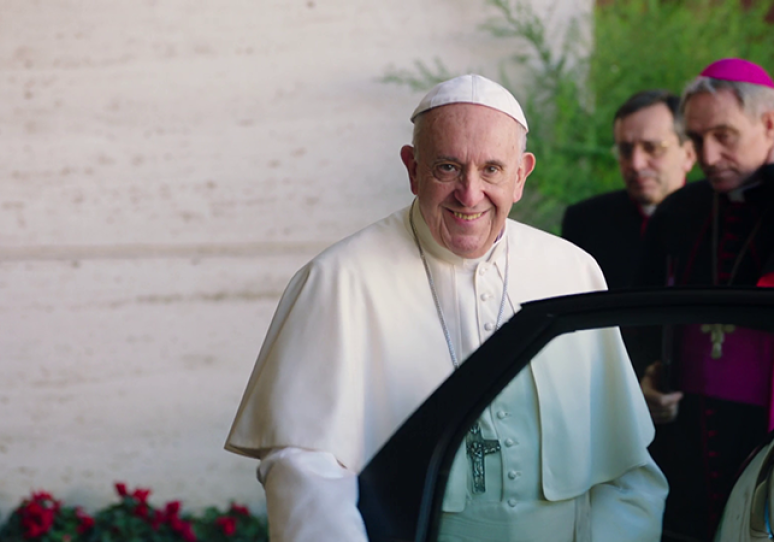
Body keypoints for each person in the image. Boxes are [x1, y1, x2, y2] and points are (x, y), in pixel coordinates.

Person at [226, 74, 666, 541]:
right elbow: (304, 471)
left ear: (521, 175)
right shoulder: (340, 280)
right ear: (412, 168)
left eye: (492, 169)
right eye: (448, 168)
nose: (470, 194)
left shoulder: (571, 273)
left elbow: (626, 471)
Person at [635, 58, 774, 541]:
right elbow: (644, 320)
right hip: (684, 440)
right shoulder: (679, 212)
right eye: (695, 140)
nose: (708, 156)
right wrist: (645, 378)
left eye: (724, 135)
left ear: (769, 124)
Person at [562, 90, 696, 290]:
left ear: (688, 154)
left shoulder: (712, 220)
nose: (636, 163)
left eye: (652, 148)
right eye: (625, 150)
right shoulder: (585, 222)